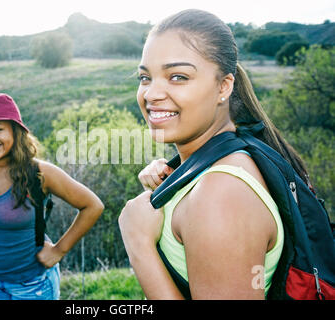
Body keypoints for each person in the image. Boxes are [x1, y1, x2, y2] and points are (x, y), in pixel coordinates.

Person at [118, 9, 312, 299]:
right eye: (145, 77)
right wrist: (176, 180)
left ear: (224, 86)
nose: (151, 94)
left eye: (178, 76)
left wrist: (139, 246)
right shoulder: (221, 162)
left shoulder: (222, 195)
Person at [0, 93, 104, 300]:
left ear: (15, 131)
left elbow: (92, 205)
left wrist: (59, 250)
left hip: (33, 283)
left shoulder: (40, 173)